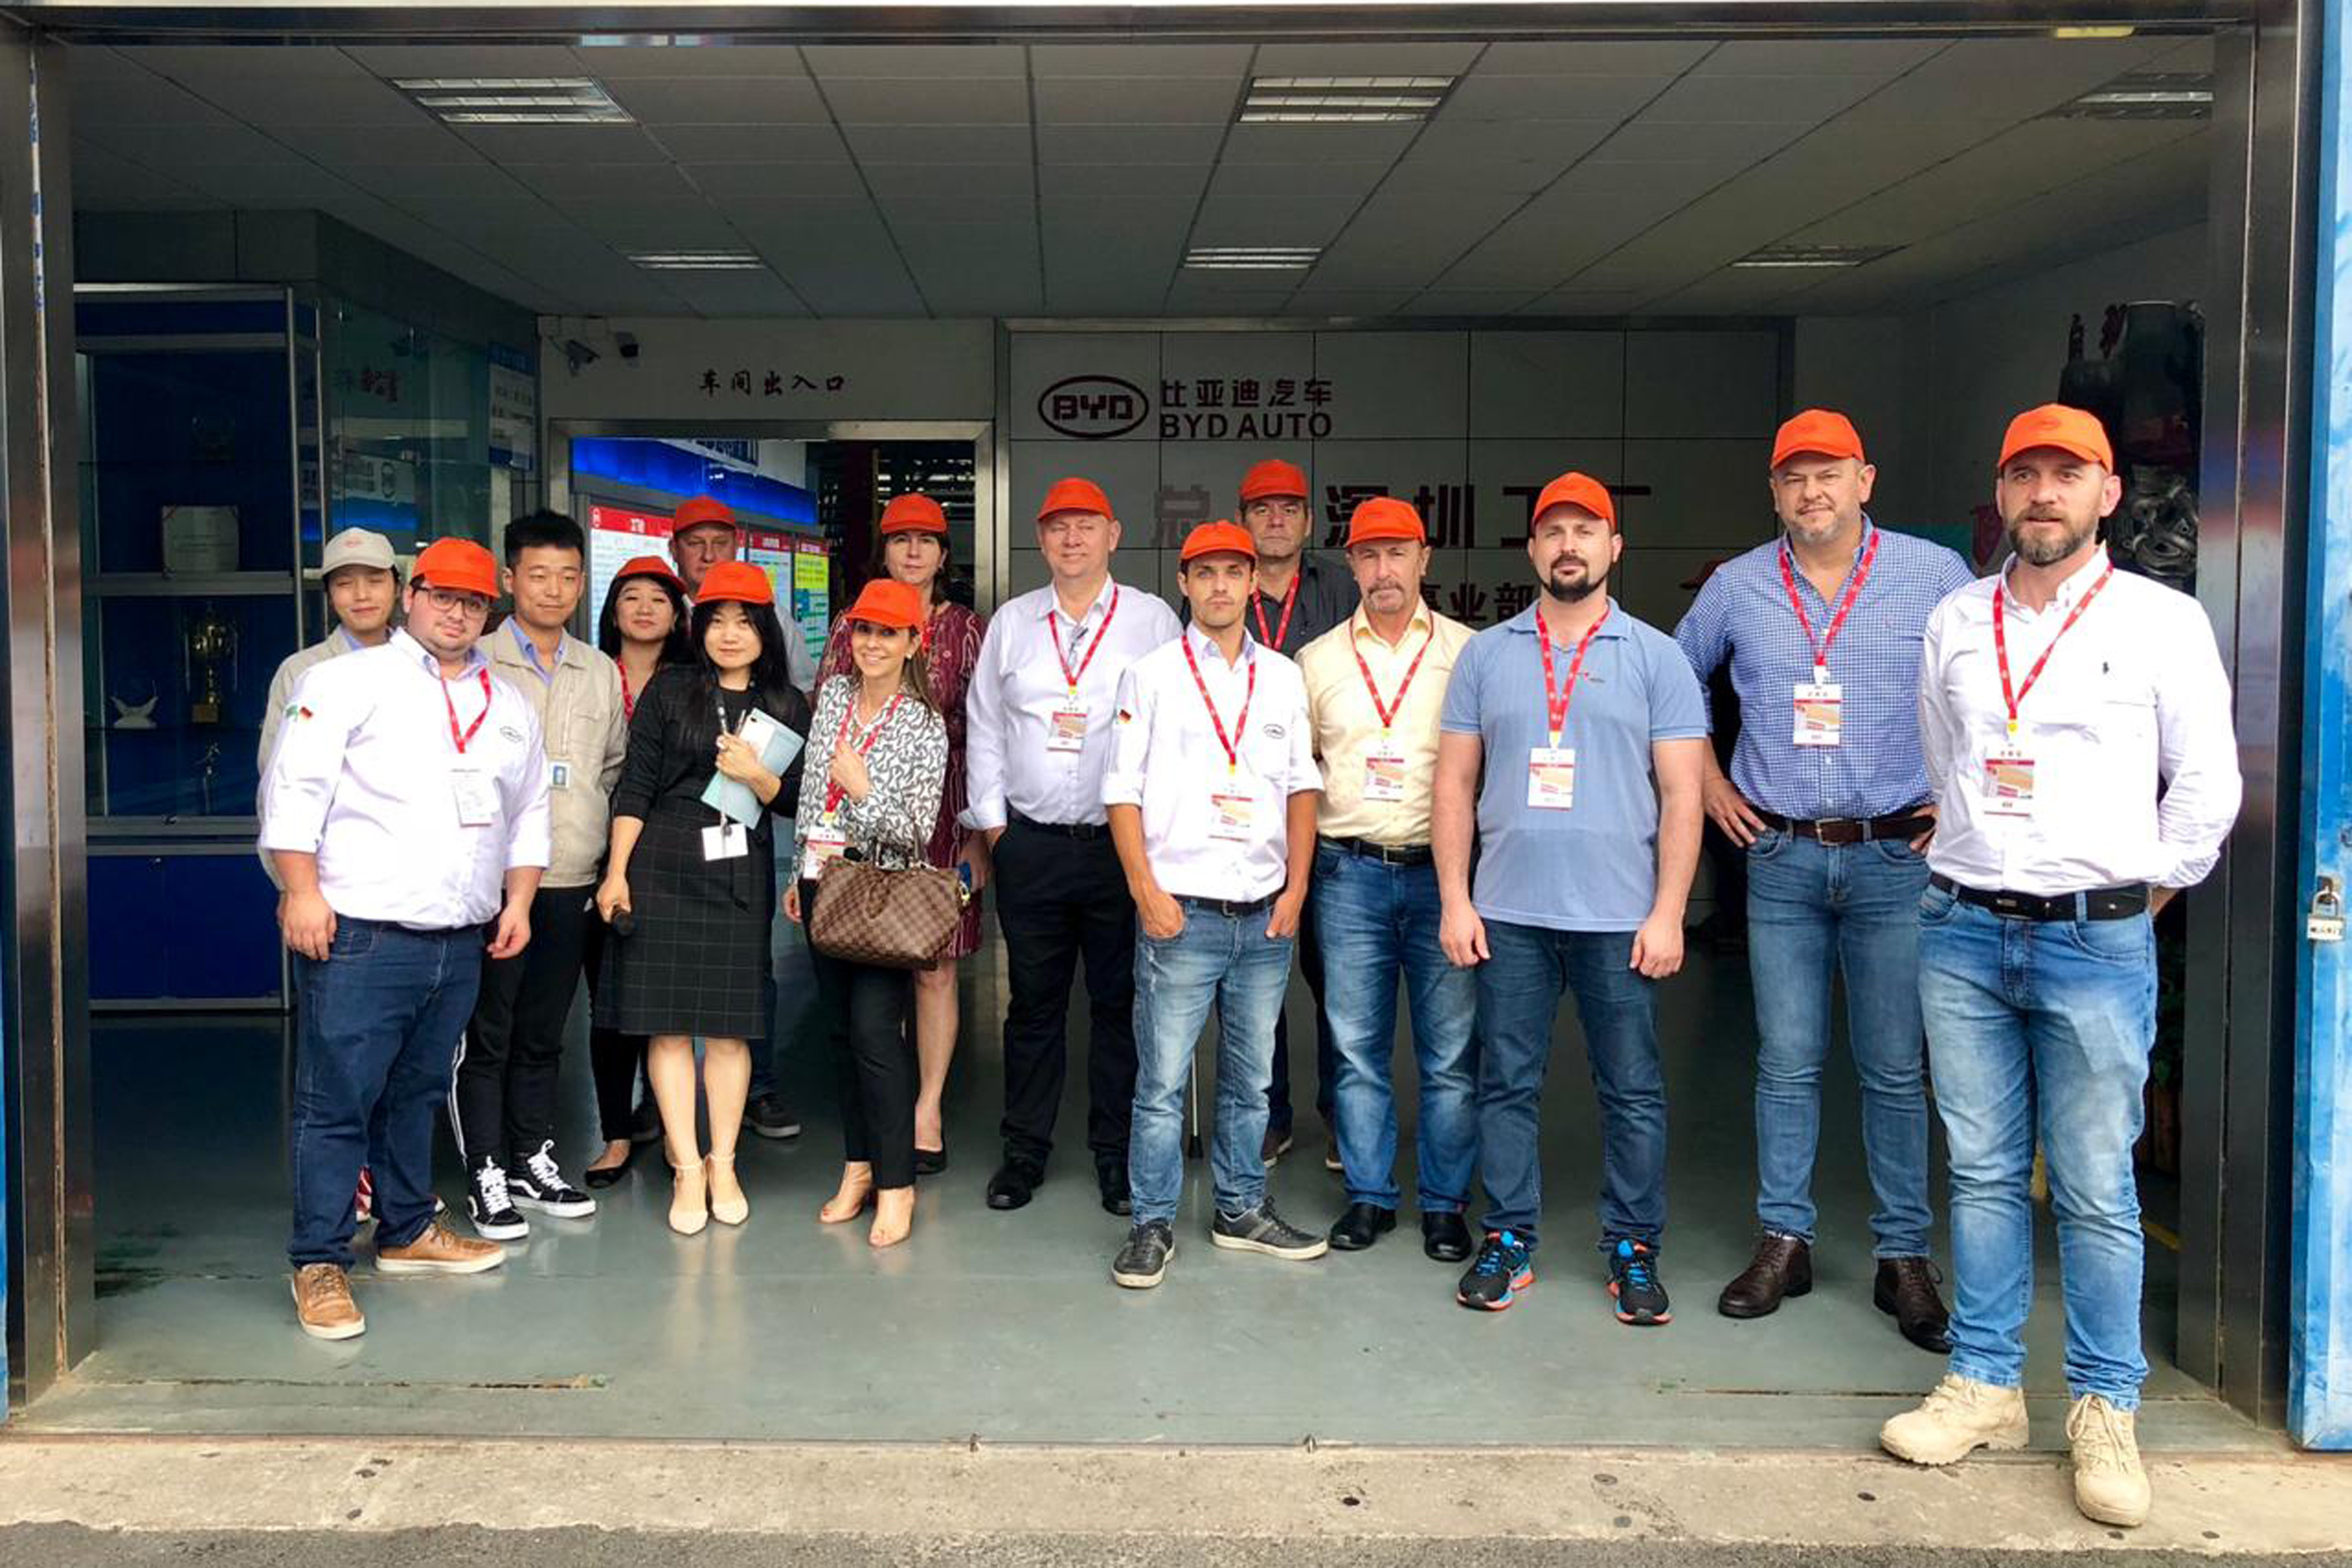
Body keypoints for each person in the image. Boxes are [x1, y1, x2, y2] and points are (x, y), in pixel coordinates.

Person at [1880, 404, 2240, 1529]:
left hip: (2095, 937)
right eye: (2023, 474)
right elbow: (1945, 756)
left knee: (2091, 1183)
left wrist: (2138, 893)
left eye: (2065, 474)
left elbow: (2206, 783)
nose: (2041, 493)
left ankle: (2102, 1405)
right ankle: (1986, 1383)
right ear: (2000, 494)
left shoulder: (2161, 621)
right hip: (1962, 928)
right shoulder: (1954, 618)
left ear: (2105, 494)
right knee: (1982, 1170)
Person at [1672, 410, 1970, 1352]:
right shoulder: (1736, 585)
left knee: (1893, 1066)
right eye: (1793, 477)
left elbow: (1992, 685)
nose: (1812, 492)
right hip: (1781, 855)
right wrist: (1709, 780)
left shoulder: (1935, 576)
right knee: (1786, 1060)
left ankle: (1903, 1256)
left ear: (1864, 480)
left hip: (1893, 855)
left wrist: (1959, 797)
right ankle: (1784, 1239)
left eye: (1828, 473)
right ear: (1773, 492)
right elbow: (1671, 680)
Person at [1434, 472, 1706, 1322]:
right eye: (1553, 531)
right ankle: (1508, 1236)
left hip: (1620, 919)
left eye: (1586, 530)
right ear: (1531, 550)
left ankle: (1633, 1246)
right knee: (1505, 1082)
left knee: (1631, 1089)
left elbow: (1684, 796)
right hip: (1508, 913)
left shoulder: (1656, 656)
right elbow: (1454, 783)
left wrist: (1669, 911)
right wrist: (1455, 899)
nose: (1568, 545)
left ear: (1614, 547)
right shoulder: (1486, 655)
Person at [260, 536, 547, 1340]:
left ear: (489, 612)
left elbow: (530, 809)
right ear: (410, 596)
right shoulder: (345, 682)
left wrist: (520, 901)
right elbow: (293, 791)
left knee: (417, 1092)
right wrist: (301, 892)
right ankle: (319, 1259)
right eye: (443, 596)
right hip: (360, 933)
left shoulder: (508, 703)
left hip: (459, 939)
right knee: (337, 1100)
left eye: (473, 602)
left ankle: (408, 1227)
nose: (457, 612)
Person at [1104, 520, 1326, 1289]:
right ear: (1185, 584)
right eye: (1206, 573)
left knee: (1250, 1078)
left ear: (1253, 582)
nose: (1222, 585)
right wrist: (1145, 892)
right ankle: (1151, 1222)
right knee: (1162, 1084)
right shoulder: (1151, 675)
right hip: (1182, 914)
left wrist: (1297, 889)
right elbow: (1121, 790)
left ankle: (1241, 1208)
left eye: (1235, 572)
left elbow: (1301, 787)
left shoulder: (1284, 677)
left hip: (1264, 915)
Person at [963, 477, 1182, 1217]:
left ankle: (1115, 1154)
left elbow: (1174, 729)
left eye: (1087, 525)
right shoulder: (1013, 623)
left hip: (1120, 852)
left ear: (1113, 535)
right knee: (1033, 1006)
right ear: (1041, 539)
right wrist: (996, 829)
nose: (1072, 539)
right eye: (1058, 527)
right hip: (1032, 845)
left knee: (1119, 1005)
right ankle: (1024, 1150)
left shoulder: (1152, 621)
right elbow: (985, 725)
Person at [594, 561, 811, 1236]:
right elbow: (636, 784)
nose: (729, 634)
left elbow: (798, 801)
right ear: (699, 628)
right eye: (716, 621)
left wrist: (758, 776)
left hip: (739, 865)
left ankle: (724, 1163)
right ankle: (687, 1167)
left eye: (744, 622)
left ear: (765, 630)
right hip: (661, 862)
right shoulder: (671, 689)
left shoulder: (786, 703)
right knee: (665, 1026)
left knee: (728, 1029)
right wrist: (616, 873)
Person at [1295, 497, 1478, 1259]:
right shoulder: (1318, 660)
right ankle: (1370, 1195)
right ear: (1352, 565)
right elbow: (1300, 772)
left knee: (1450, 1054)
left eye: (1397, 553)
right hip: (1350, 875)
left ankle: (1444, 1202)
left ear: (1423, 559)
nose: (1384, 570)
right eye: (1369, 555)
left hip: (1443, 877)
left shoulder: (1469, 653)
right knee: (1355, 1047)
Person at [451, 510, 627, 1240]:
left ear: (582, 584)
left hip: (572, 877)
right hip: (494, 883)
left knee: (545, 1032)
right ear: (509, 579)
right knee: (487, 1032)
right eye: (538, 575)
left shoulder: (599, 670)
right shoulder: (476, 660)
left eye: (567, 576)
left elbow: (610, 769)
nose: (553, 589)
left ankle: (531, 1156)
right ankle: (486, 1168)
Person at [815, 493, 988, 1173]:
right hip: (858, 815)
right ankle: (883, 1101)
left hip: (944, 812)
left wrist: (978, 830)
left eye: (926, 540)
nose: (913, 551)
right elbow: (830, 727)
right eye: (900, 539)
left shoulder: (966, 628)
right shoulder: (849, 625)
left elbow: (988, 730)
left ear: (944, 555)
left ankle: (927, 1108)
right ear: (882, 550)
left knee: (934, 966)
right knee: (869, 956)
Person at [786, 578, 951, 1249]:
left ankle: (896, 1181)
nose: (872, 643)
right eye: (863, 630)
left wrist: (863, 791)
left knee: (876, 1033)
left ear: (914, 642)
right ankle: (857, 1167)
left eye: (888, 632)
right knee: (838, 1034)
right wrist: (799, 869)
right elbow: (809, 793)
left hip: (882, 893)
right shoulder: (832, 696)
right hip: (823, 880)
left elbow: (916, 831)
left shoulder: (923, 722)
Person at [669, 492, 813, 1142]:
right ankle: (661, 1104)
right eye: (695, 544)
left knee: (749, 965)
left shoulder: (772, 624)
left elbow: (794, 715)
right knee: (665, 976)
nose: (708, 554)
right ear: (676, 550)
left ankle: (759, 1087)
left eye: (719, 543)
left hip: (743, 825)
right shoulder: (663, 615)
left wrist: (760, 773)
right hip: (673, 836)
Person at [1231, 459, 1358, 1169]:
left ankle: (1340, 1114)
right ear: (1243, 520)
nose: (1275, 519)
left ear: (1309, 521)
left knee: (1335, 979)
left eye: (1288, 508)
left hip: (1328, 814)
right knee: (1259, 985)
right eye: (1261, 508)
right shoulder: (1221, 586)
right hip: (1244, 819)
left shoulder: (1341, 589)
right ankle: (1270, 1114)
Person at [580, 554, 692, 1188]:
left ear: (677, 616)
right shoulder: (591, 674)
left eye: (659, 599)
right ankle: (616, 1132)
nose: (645, 609)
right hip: (592, 854)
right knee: (608, 1003)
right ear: (612, 609)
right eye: (631, 597)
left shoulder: (693, 680)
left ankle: (671, 1125)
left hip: (669, 858)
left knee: (664, 1001)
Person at [259, 526, 401, 773]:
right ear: (330, 596)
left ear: (398, 589)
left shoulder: (422, 664)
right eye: (344, 583)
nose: (362, 595)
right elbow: (275, 769)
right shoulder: (301, 671)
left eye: (375, 581)